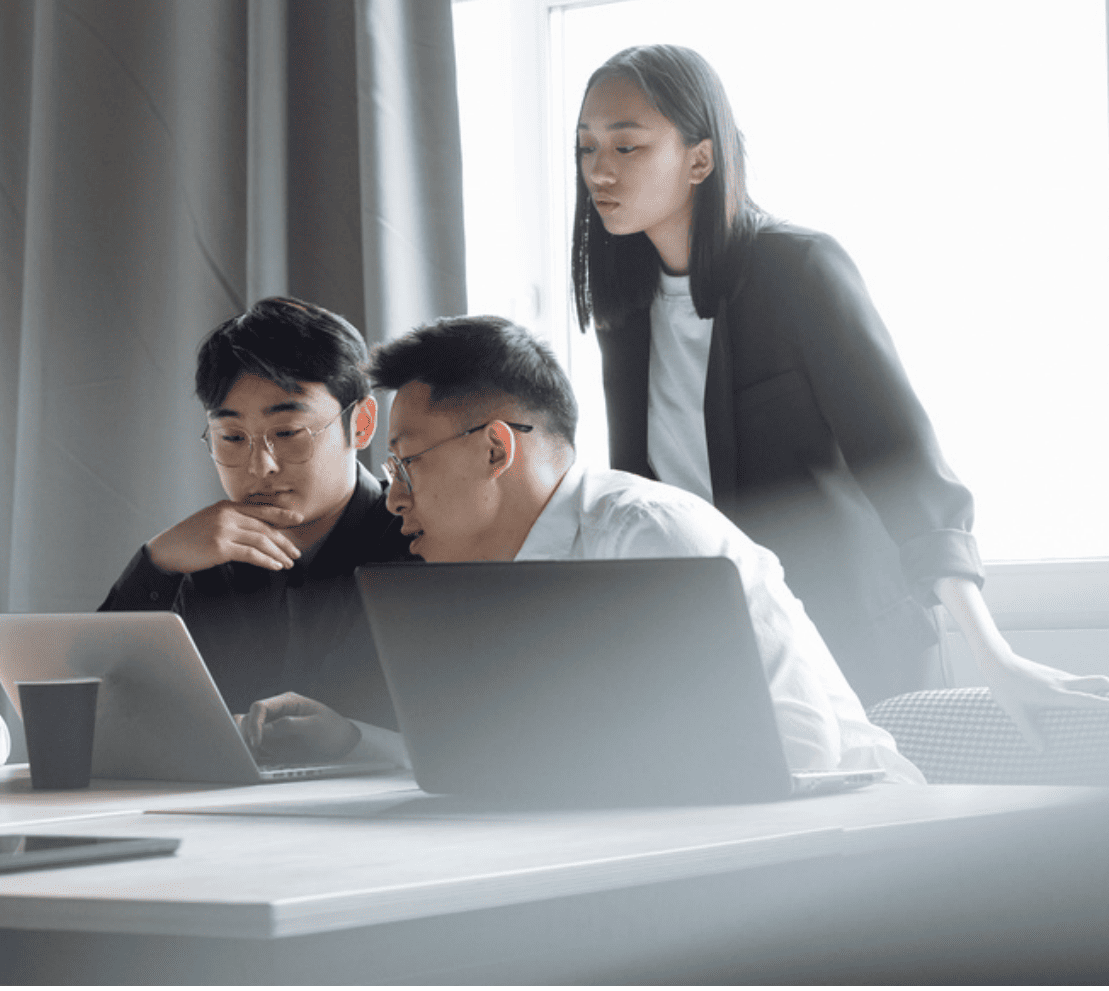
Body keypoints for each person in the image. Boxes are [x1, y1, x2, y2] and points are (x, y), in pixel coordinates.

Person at [571, 43, 1109, 739]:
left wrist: (992, 655)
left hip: (853, 640)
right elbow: (650, 497)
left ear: (699, 159)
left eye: (626, 146)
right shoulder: (623, 310)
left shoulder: (797, 268)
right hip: (715, 651)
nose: (599, 170)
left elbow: (903, 464)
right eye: (586, 148)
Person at [367, 313, 923, 784]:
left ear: (495, 449)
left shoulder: (648, 534)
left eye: (406, 464)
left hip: (861, 833)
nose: (393, 499)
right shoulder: (490, 574)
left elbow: (800, 750)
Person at [99, 296, 412, 765]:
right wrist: (156, 563)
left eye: (287, 433)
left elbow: (473, 742)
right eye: (232, 438)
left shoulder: (419, 542)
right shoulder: (199, 560)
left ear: (361, 423)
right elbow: (99, 716)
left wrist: (354, 741)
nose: (260, 466)